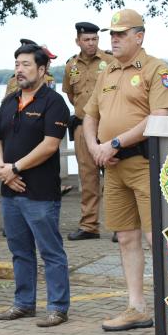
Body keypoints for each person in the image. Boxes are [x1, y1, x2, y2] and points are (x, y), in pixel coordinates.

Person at [83, 8, 168, 331]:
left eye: (121, 34)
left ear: (139, 36)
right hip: (112, 165)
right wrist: (97, 147)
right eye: (112, 34)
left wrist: (115, 143)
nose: (114, 39)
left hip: (144, 163)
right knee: (125, 236)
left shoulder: (156, 69)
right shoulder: (107, 72)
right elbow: (89, 115)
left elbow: (159, 118)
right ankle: (136, 307)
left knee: (156, 236)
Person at [0, 44, 71, 327]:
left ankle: (58, 307)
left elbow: (49, 145)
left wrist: (15, 168)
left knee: (50, 251)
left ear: (42, 69)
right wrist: (3, 170)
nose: (20, 70)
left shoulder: (54, 102)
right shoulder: (9, 101)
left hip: (40, 193)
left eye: (26, 65)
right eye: (17, 64)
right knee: (20, 251)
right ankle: (24, 304)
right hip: (9, 191)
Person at [63, 22, 114, 241]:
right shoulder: (71, 65)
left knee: (113, 176)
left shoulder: (110, 62)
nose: (91, 43)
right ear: (78, 41)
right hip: (83, 126)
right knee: (87, 177)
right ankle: (89, 226)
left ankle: (119, 227)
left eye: (94, 39)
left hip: (107, 125)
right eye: (86, 40)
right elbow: (71, 95)